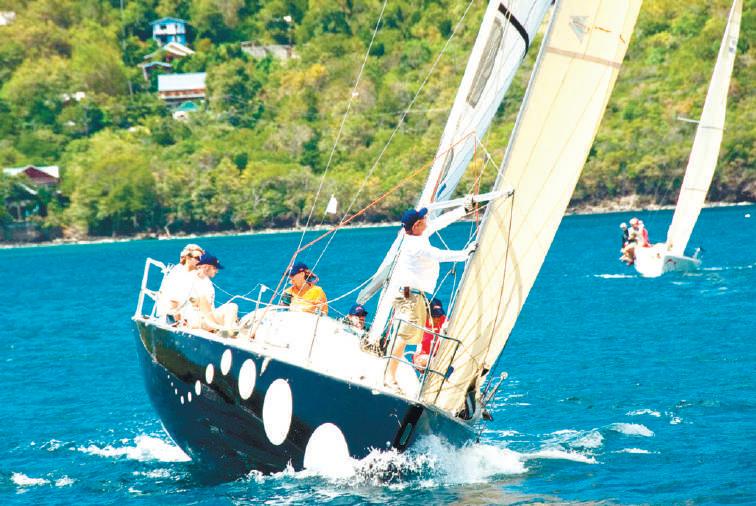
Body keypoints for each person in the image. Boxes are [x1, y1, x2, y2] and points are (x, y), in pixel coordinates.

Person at [386, 202, 475, 387]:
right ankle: (389, 376)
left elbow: (440, 222)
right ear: (416, 225)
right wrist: (466, 253)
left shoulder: (415, 234)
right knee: (403, 336)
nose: (427, 220)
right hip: (410, 297)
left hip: (412, 295)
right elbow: (438, 255)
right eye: (423, 219)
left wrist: (463, 209)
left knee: (405, 335)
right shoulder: (414, 245)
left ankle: (390, 372)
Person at [185, 253, 238, 333]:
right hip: (196, 320)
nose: (217, 271)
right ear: (206, 267)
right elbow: (191, 300)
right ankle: (224, 331)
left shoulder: (208, 283)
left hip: (209, 319)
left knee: (232, 307)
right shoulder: (190, 279)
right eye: (215, 268)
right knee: (203, 299)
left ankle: (226, 331)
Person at [156, 243, 204, 322]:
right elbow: (173, 301)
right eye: (197, 258)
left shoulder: (194, 273)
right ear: (188, 257)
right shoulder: (178, 273)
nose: (201, 261)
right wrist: (178, 322)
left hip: (190, 314)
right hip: (175, 317)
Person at [413, 298, 447, 370]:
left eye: (439, 315)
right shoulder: (421, 322)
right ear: (427, 314)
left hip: (439, 355)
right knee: (424, 362)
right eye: (434, 316)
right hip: (423, 355)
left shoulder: (443, 319)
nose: (437, 318)